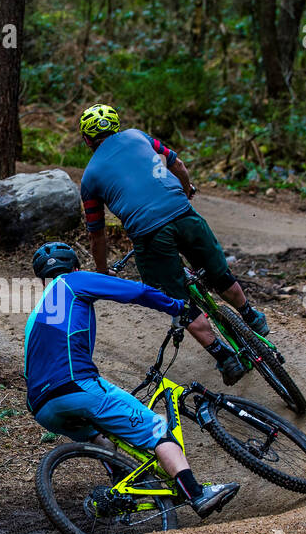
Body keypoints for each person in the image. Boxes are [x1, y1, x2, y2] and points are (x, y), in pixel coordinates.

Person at [23, 241, 240, 519]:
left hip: (42, 407)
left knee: (101, 438)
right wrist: (177, 308)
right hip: (77, 386)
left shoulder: (34, 318)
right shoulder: (73, 281)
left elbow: (29, 372)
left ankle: (121, 493)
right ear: (75, 267)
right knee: (158, 431)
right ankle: (197, 494)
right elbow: (134, 291)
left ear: (43, 280)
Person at [76, 103, 270, 385]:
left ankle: (225, 358)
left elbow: (97, 234)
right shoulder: (139, 136)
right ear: (117, 125)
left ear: (86, 140)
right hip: (183, 213)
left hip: (149, 234)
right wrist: (187, 188)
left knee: (177, 301)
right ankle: (250, 315)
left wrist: (103, 270)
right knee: (218, 272)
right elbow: (176, 164)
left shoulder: (90, 177)